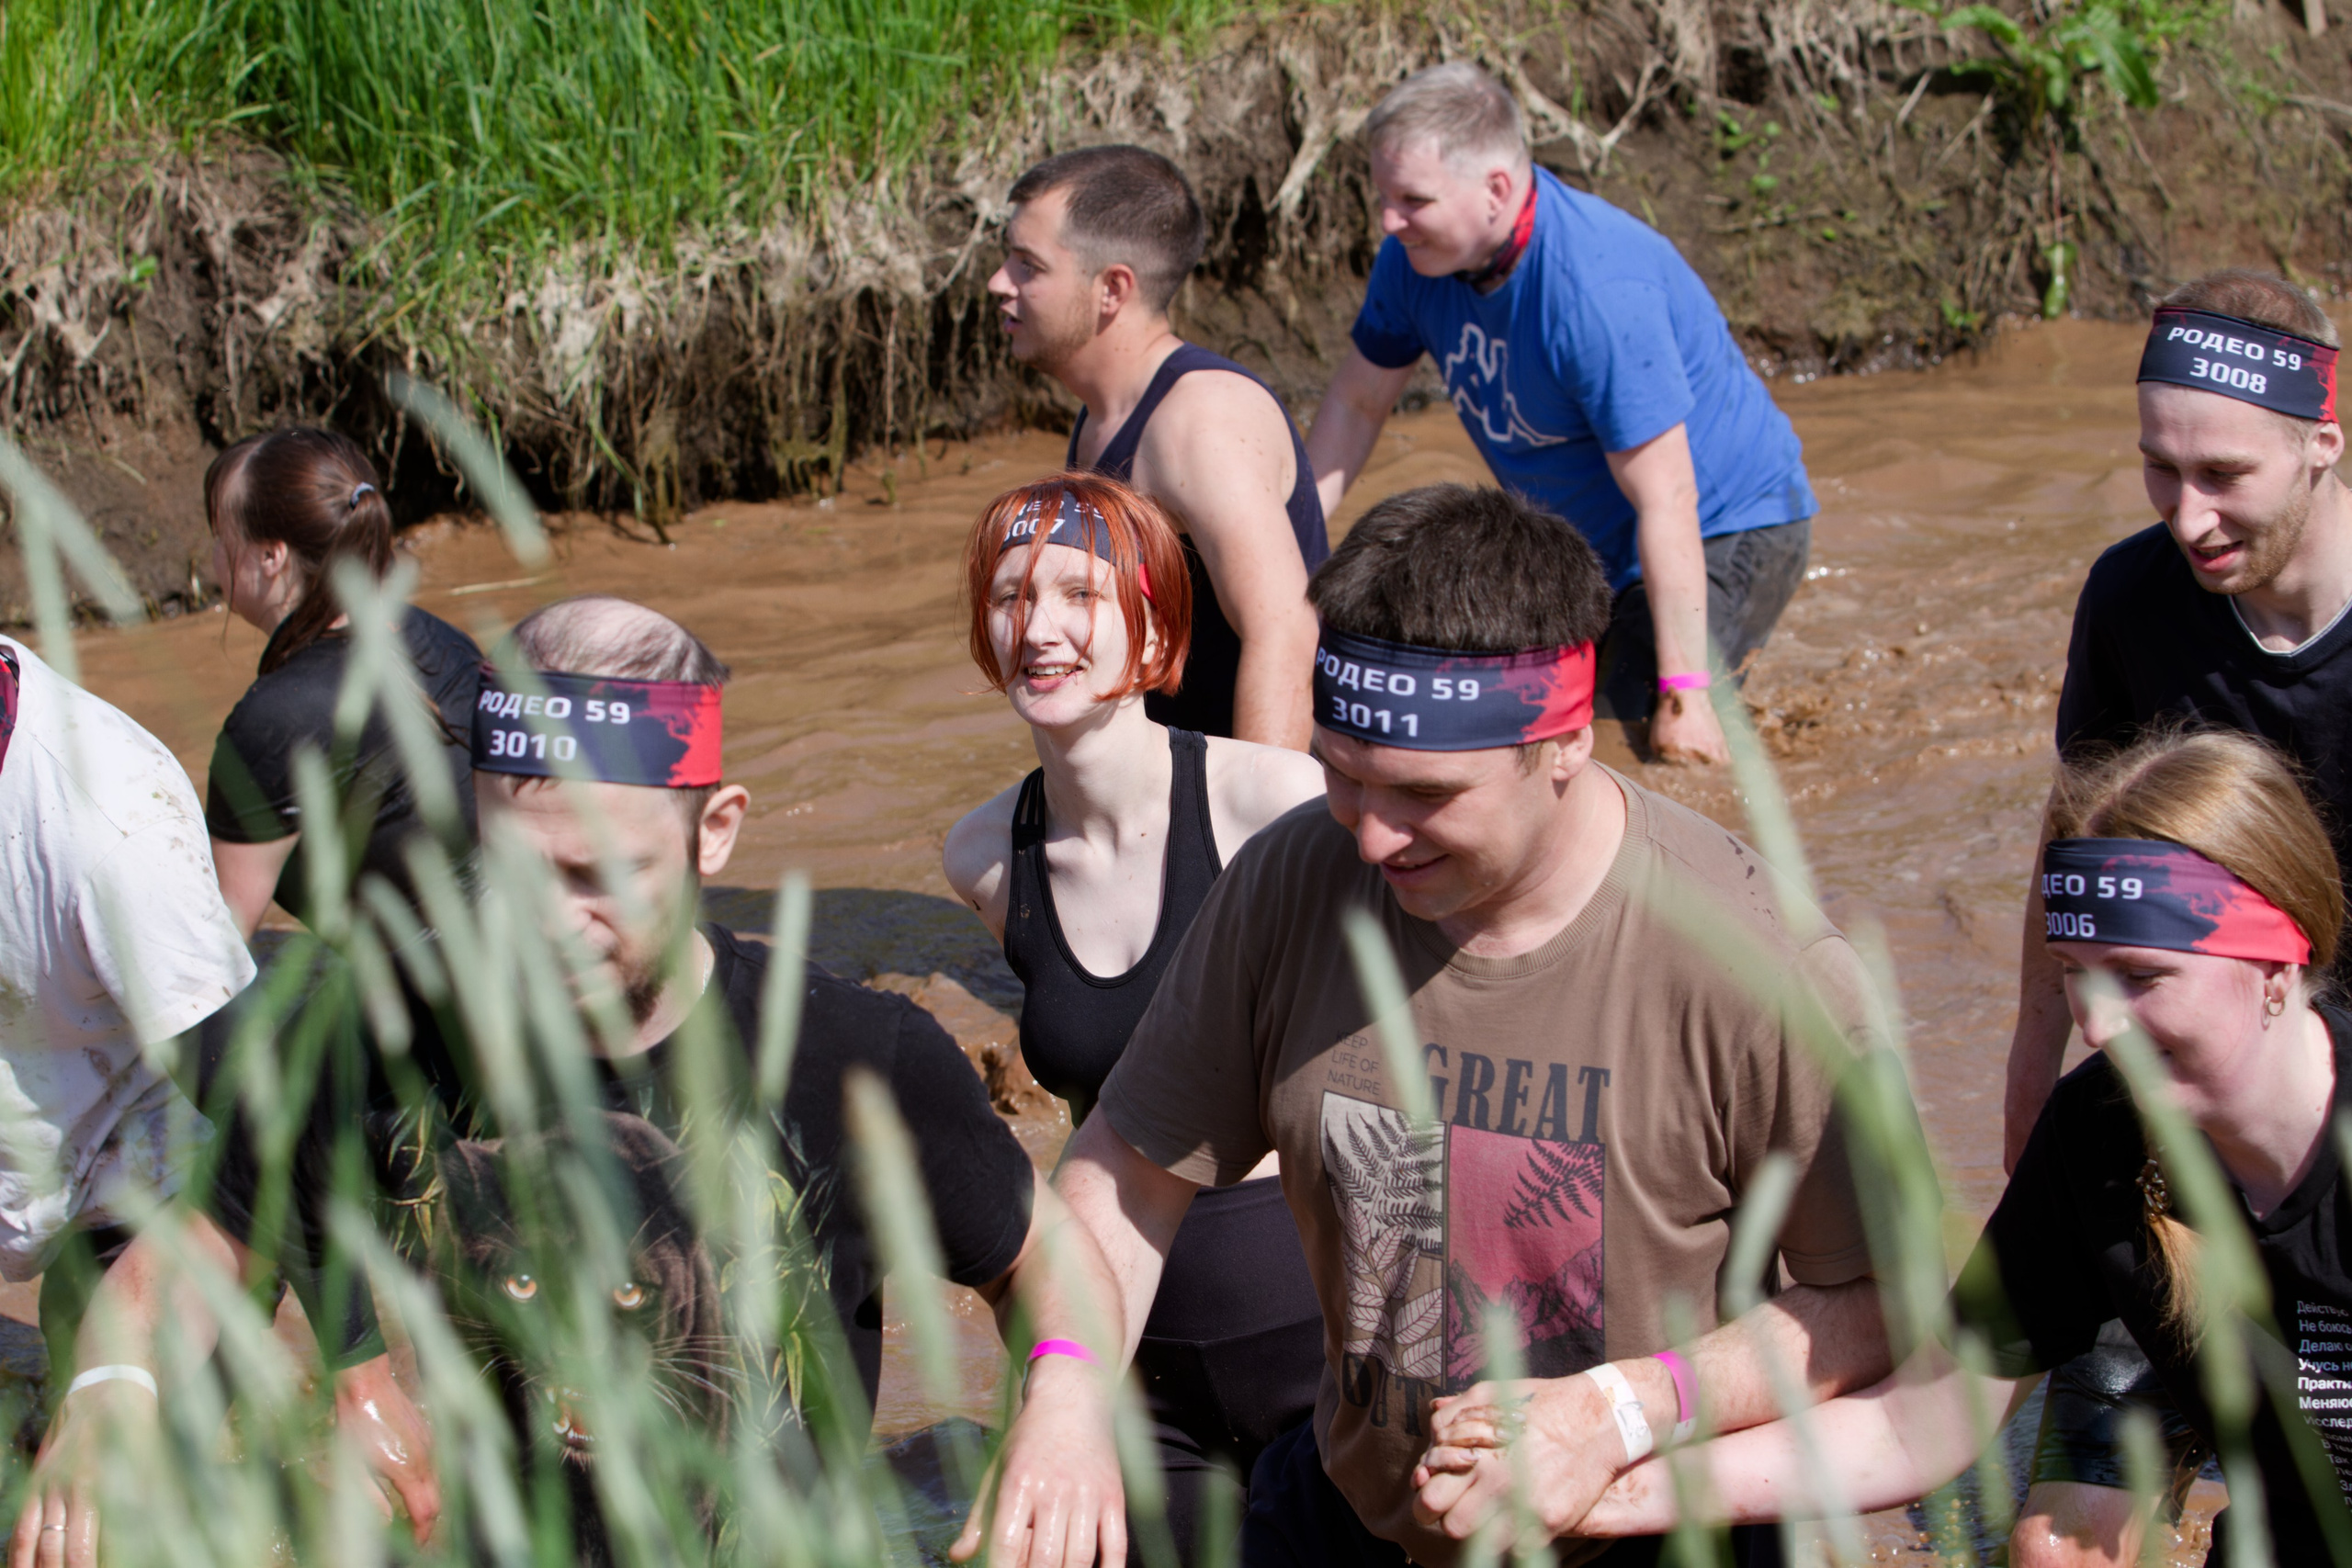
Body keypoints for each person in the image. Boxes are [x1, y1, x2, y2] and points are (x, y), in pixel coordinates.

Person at [16, 597, 1128, 1568]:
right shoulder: (383, 1032)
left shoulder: (853, 1058)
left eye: (603, 874)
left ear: (715, 834)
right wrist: (112, 1391)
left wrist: (1069, 1398)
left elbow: (1044, 1260)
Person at [984, 482, 1910, 1568]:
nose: (1372, 839)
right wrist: (1066, 1387)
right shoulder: (1291, 880)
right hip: (1353, 1513)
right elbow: (1127, 1172)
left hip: (1649, 1527)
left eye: (1425, 795)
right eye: (1343, 776)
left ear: (1561, 742)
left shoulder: (1759, 969)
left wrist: (1621, 1411)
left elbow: (1883, 1303)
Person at [1574, 728, 2352, 1562]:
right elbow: (1917, 1422)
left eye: (2140, 975)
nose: (2096, 1026)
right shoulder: (2099, 1134)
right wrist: (1603, 1487)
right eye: (2075, 971)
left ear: (2278, 963)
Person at [2000, 268, 2352, 1568]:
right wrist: (2034, 1080)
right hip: (2173, 1147)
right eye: (2159, 466)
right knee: (2056, 1548)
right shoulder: (2132, 599)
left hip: (2320, 1138)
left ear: (2323, 441)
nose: (2186, 514)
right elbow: (2075, 854)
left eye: (2223, 474)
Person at [941, 473, 1329, 1558]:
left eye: (1079, 594)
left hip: (1310, 1336)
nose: (1038, 627)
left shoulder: (1273, 803)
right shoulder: (984, 857)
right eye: (1011, 595)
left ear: (1155, 627)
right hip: (1129, 1355)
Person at [1302, 63, 1817, 767]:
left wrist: (1686, 694)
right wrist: (1286, 544)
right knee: (1510, 727)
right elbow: (1358, 404)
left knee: (1621, 752)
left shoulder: (1598, 294)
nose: (1389, 223)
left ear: (1496, 190)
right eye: (1384, 198)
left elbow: (1668, 495)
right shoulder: (1413, 260)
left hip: (1728, 524)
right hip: (1588, 539)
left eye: (1413, 201)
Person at [988, 145, 1326, 749]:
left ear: (1112, 288)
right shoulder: (1104, 414)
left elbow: (1285, 635)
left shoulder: (1199, 419)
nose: (998, 282)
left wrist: (1252, 809)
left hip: (1241, 788)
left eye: (1028, 266)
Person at [0, 634, 254, 1375]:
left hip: (152, 1199)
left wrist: (358, 1372)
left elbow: (272, 1131)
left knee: (115, 1425)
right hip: (42, 1151)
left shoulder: (114, 826)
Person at [203, 426, 481, 936]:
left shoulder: (276, 718)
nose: (213, 554)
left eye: (221, 536)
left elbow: (215, 946)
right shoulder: (440, 639)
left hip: (435, 982)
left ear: (270, 557)